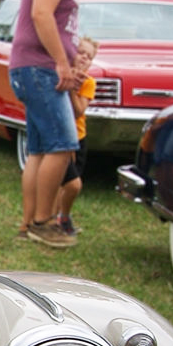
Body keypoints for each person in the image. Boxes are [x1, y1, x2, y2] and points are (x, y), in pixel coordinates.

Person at [8, 0, 108, 248]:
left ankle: (28, 223)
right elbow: (41, 14)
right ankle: (43, 222)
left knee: (38, 150)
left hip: (35, 69)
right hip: (40, 71)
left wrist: (67, 61)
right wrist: (62, 64)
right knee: (64, 145)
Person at [54, 37, 98, 237]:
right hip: (61, 137)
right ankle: (58, 217)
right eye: (81, 53)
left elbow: (79, 110)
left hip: (79, 137)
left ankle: (62, 216)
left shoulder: (88, 83)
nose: (84, 59)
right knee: (70, 184)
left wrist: (73, 89)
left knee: (71, 184)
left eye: (89, 57)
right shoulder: (59, 75)